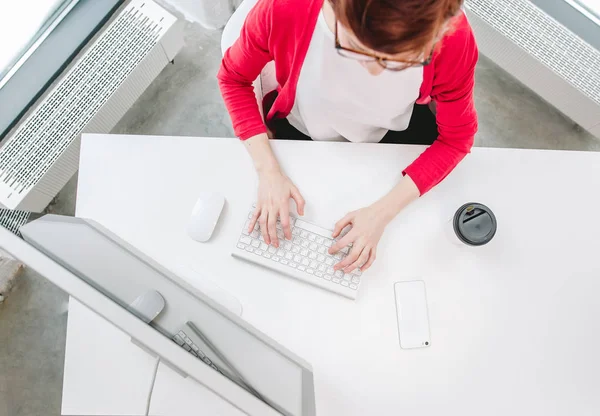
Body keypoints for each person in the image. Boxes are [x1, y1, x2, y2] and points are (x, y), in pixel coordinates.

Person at [218, 0, 478, 274]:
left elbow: (456, 138)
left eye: (403, 59)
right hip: (302, 131)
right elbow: (234, 78)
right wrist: (268, 171)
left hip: (393, 137)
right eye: (357, 50)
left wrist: (382, 213)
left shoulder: (452, 36)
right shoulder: (285, 8)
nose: (377, 71)